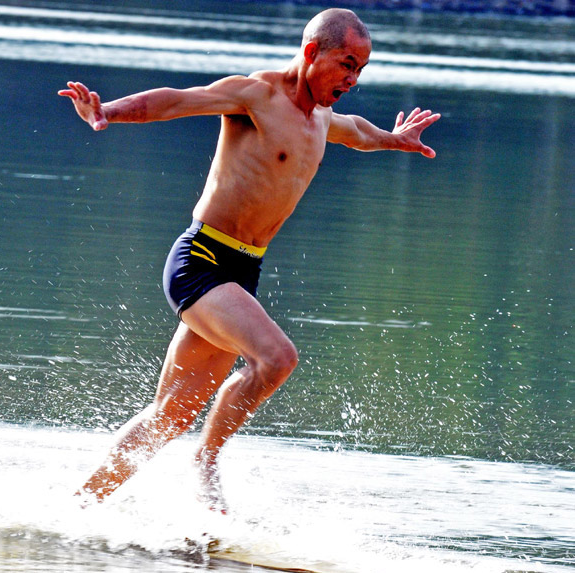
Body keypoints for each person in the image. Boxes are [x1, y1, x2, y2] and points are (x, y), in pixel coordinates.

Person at [58, 8, 439, 513]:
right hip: (202, 260)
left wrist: (395, 140)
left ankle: (74, 511)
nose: (353, 79)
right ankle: (206, 460)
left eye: (361, 70)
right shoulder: (256, 95)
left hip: (243, 272)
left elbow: (359, 133)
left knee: (169, 415)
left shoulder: (322, 118)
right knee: (277, 359)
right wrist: (106, 110)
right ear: (312, 52)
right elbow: (177, 101)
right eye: (347, 64)